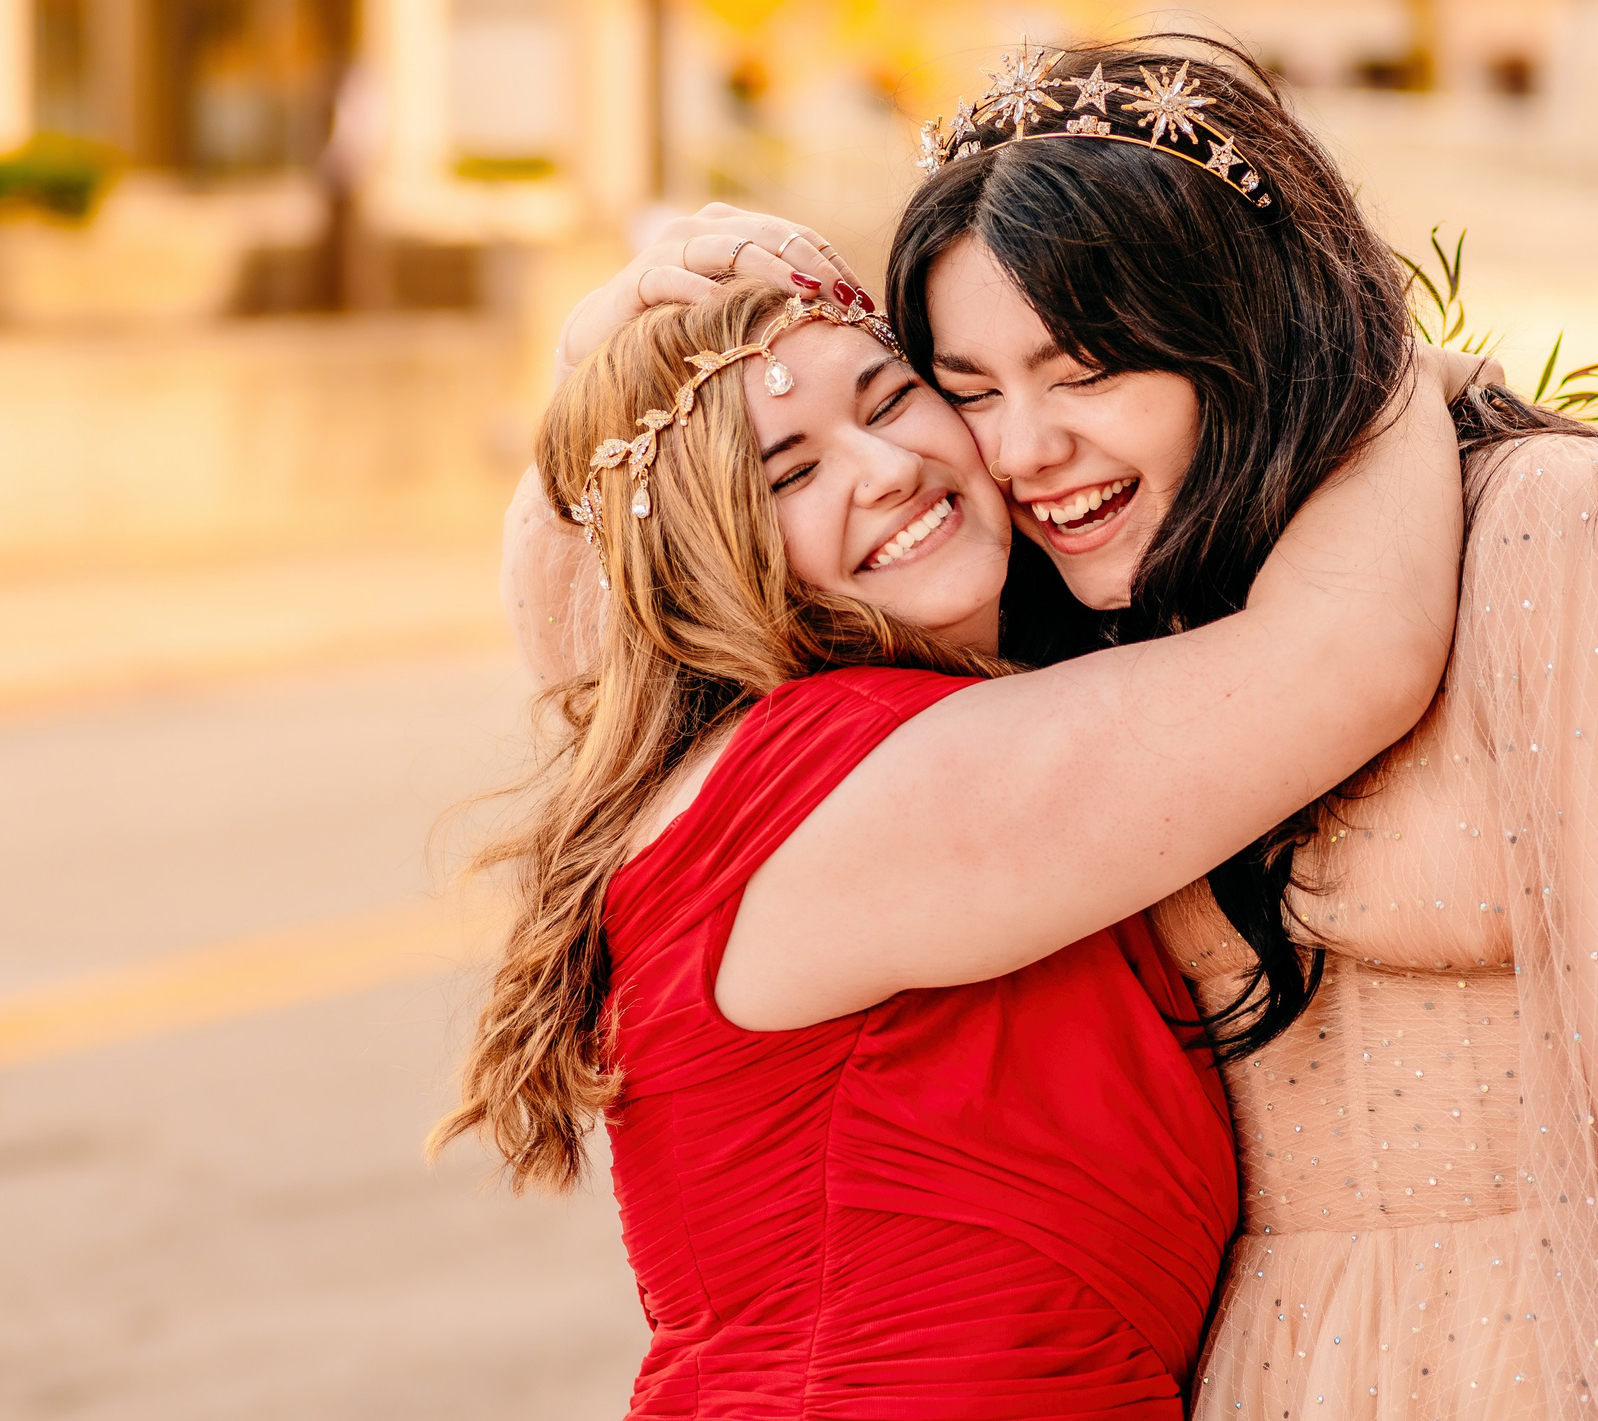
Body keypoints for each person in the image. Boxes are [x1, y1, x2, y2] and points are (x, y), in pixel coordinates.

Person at [886, 37, 1598, 1421]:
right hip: (1271, 1372)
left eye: (1087, 370)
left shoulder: (1550, 530)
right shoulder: (1076, 631)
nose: (1020, 449)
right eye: (971, 389)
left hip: (1587, 1356)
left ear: (1238, 332)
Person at [441, 277, 1480, 1418]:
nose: (886, 467)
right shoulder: (852, 779)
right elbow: (1351, 652)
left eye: (890, 399)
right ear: (704, 553)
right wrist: (1379, 365)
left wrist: (600, 339)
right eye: (790, 473)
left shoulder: (780, 754)